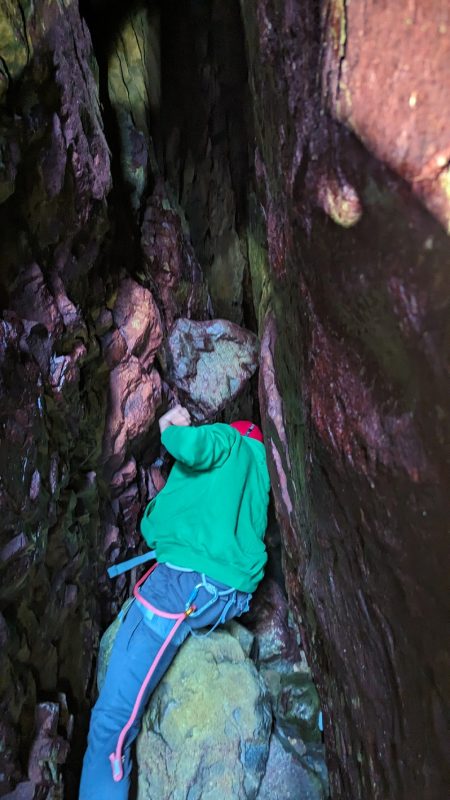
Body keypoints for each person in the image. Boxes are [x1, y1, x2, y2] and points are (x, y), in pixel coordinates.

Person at [79, 404, 270, 799]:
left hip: (182, 586)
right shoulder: (261, 479)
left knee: (111, 724)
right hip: (225, 598)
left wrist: (169, 428)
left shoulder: (228, 440)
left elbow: (191, 447)